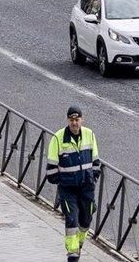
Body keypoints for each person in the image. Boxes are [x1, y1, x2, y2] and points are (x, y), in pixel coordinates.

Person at [46, 105, 100, 262]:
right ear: (67, 120)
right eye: (71, 120)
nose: (74, 123)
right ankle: (73, 255)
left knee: (86, 220)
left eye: (77, 120)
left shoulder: (89, 134)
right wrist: (64, 181)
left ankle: (79, 244)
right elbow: (51, 169)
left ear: (82, 120)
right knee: (72, 221)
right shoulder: (58, 138)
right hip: (68, 190)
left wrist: (92, 179)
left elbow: (96, 162)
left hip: (86, 187)